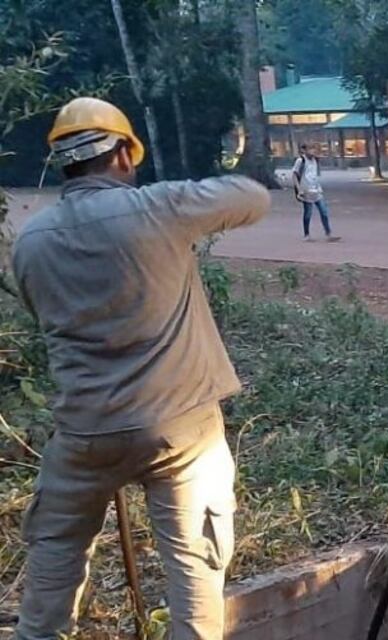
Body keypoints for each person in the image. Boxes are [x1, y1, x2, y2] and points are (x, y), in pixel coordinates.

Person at [12, 97, 271, 640]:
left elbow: (46, 318)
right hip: (178, 431)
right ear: (125, 156)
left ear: (62, 163)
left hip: (84, 432)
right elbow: (251, 197)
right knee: (194, 564)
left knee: (55, 552)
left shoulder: (31, 242)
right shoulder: (159, 208)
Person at [292, 143, 339, 242]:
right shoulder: (301, 160)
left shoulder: (315, 160)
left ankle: (328, 233)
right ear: (304, 150)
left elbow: (315, 175)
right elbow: (295, 175)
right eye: (310, 149)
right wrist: (299, 189)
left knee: (324, 211)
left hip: (316, 190)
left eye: (314, 149)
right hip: (306, 190)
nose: (312, 152)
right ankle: (306, 234)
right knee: (308, 213)